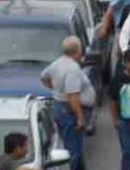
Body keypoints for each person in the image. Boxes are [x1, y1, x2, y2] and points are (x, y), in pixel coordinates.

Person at [41, 36, 97, 170]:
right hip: (70, 112)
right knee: (73, 151)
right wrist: (80, 118)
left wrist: (55, 88)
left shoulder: (57, 63)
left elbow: (43, 77)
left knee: (73, 147)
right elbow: (73, 96)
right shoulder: (72, 68)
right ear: (78, 50)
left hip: (62, 108)